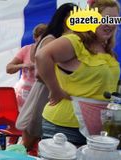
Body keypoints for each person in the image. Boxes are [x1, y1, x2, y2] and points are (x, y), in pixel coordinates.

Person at [36, 0, 121, 147]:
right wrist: (55, 90)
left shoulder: (107, 50)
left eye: (115, 19)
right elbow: (42, 56)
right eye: (105, 18)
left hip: (97, 129)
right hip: (65, 126)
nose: (110, 24)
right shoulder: (76, 41)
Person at [16, 3, 76, 151]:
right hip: (44, 91)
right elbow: (40, 72)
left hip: (48, 91)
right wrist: (57, 88)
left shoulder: (60, 39)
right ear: (63, 19)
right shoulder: (51, 39)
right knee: (29, 140)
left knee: (35, 139)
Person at [6, 23, 47, 109]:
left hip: (41, 93)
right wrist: (23, 65)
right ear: (35, 38)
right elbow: (8, 68)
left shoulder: (50, 51)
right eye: (42, 40)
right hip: (23, 95)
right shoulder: (26, 49)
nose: (44, 43)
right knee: (22, 120)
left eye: (46, 40)